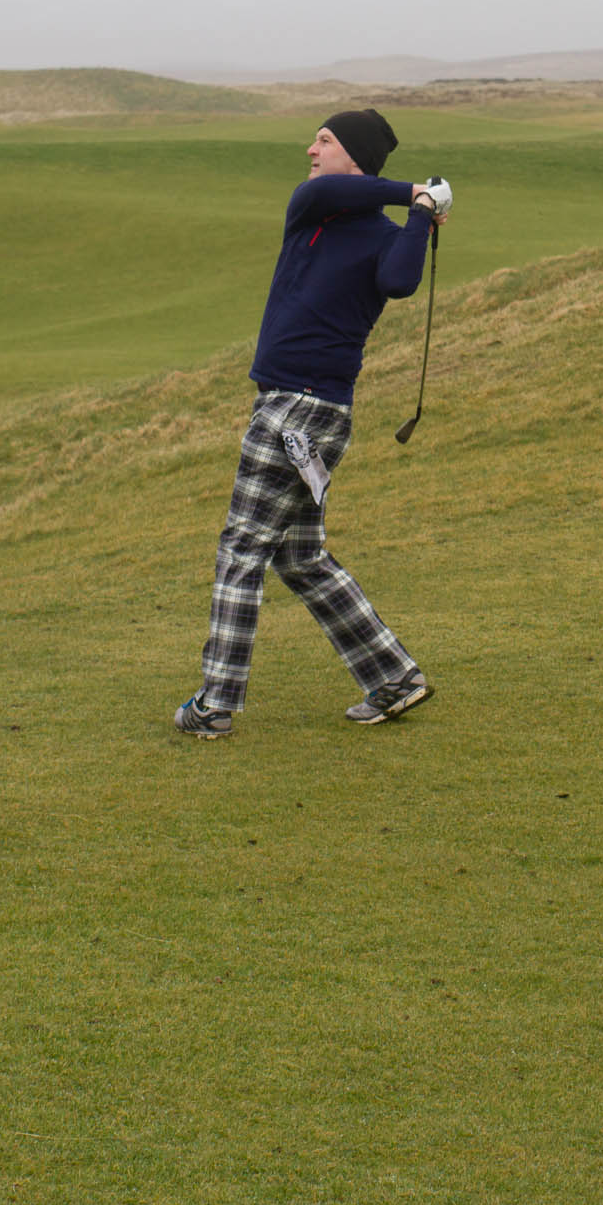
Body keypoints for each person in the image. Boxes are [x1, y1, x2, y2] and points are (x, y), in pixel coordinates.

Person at [173, 107, 453, 738]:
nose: (310, 149)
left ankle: (216, 705)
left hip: (300, 408)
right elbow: (328, 189)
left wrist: (419, 216)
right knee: (299, 557)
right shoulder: (315, 207)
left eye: (324, 141)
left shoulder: (386, 235)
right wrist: (412, 193)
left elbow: (401, 281)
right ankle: (395, 676)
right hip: (306, 408)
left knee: (242, 548)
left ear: (353, 154)